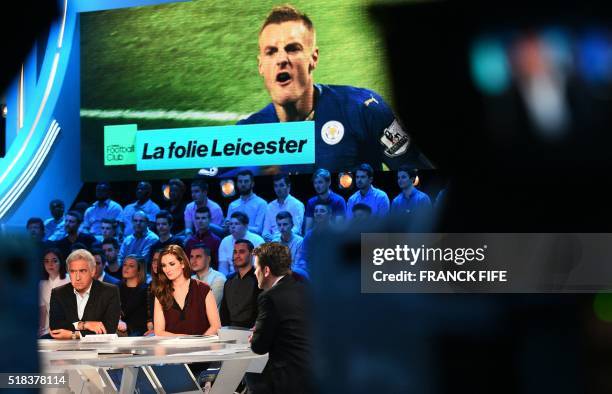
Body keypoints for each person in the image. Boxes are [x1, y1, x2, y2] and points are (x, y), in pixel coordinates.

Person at [237, 5, 429, 175]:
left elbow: (422, 177)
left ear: (314, 58)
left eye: (293, 49)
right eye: (271, 52)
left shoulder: (363, 109)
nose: (281, 59)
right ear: (261, 66)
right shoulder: (247, 136)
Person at [250, 242, 311, 394]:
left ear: (266, 270)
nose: (254, 272)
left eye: (256, 267)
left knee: (251, 377)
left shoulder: (269, 297)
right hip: (314, 375)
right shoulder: (305, 289)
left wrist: (257, 333)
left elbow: (259, 346)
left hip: (287, 379)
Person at [48, 249, 121, 339]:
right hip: (64, 348)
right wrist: (84, 325)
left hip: (98, 348)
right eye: (73, 271)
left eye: (82, 271)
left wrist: (74, 335)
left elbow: (108, 330)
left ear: (92, 271)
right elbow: (56, 327)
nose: (77, 277)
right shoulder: (58, 293)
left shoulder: (110, 291)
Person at [153, 245, 221, 336]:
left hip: (202, 347)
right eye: (164, 265)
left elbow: (216, 326)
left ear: (182, 263)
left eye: (172, 264)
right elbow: (159, 332)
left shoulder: (203, 289)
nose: (167, 269)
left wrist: (198, 343)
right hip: (172, 347)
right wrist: (184, 340)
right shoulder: (161, 293)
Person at [220, 240, 262, 328]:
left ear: (252, 254)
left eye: (242, 252)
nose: (237, 255)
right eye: (235, 252)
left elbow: (262, 311)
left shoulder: (260, 279)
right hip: (229, 331)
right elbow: (224, 312)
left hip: (251, 331)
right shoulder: (229, 280)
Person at [262, 173, 305, 241]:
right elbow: (265, 231)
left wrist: (280, 238)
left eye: (281, 185)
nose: (278, 189)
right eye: (276, 186)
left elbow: (297, 229)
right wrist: (274, 240)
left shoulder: (297, 205)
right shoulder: (270, 206)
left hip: (290, 241)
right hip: (273, 242)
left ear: (288, 186)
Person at [39, 248, 70, 337]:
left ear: (61, 262)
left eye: (54, 261)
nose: (50, 264)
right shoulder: (42, 284)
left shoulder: (70, 280)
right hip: (48, 330)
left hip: (68, 329)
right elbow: (43, 309)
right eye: (47, 261)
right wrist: (40, 328)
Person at [226, 170, 267, 235]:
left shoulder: (261, 204)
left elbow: (258, 230)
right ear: (237, 184)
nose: (243, 184)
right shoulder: (232, 205)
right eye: (240, 181)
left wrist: (239, 227)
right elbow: (229, 228)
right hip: (234, 241)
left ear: (252, 184)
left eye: (246, 181)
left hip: (253, 241)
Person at [118, 255, 148, 336]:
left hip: (139, 331)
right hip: (118, 329)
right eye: (124, 265)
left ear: (139, 270)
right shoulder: (116, 288)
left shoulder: (146, 290)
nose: (126, 268)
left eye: (131, 266)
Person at [189, 244, 226, 308]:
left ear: (208, 259)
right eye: (191, 257)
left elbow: (207, 306)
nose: (193, 261)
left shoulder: (218, 279)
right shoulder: (190, 279)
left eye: (198, 256)